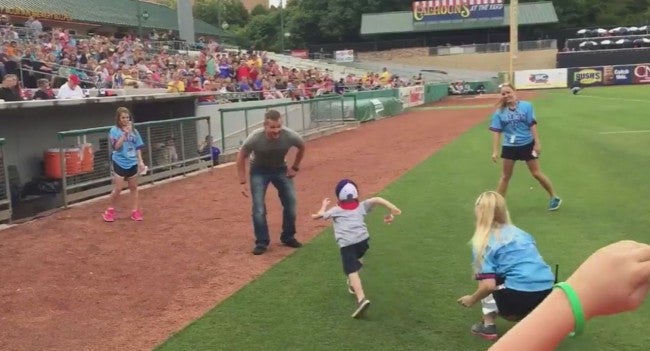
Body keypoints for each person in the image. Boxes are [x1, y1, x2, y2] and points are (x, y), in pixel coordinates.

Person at [490, 240, 650, 350]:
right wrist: (580, 295)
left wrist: (579, 295)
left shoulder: (488, 245)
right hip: (543, 287)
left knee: (489, 289)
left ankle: (487, 325)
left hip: (521, 294)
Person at [457, 191, 555, 340]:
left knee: (487, 279)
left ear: (479, 211)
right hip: (548, 292)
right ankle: (535, 321)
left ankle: (488, 327)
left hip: (517, 299)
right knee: (501, 275)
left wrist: (472, 299)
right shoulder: (521, 233)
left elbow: (488, 286)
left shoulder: (482, 242)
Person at [311, 179, 402, 318]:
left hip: (347, 244)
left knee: (351, 270)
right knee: (356, 261)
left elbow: (316, 217)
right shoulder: (361, 206)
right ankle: (352, 283)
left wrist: (323, 207)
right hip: (363, 241)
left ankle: (361, 300)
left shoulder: (336, 210)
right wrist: (392, 208)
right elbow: (377, 199)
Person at [236, 109, 306, 255]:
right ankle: (262, 242)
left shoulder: (289, 135)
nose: (276, 130)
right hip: (259, 171)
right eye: (272, 127)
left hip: (280, 169)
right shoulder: (255, 138)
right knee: (259, 208)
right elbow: (241, 156)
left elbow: (302, 146)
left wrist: (295, 167)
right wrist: (243, 182)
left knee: (291, 203)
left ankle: (288, 236)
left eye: (279, 126)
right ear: (265, 126)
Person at [490, 83, 562, 211]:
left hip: (527, 144)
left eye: (508, 92)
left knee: (536, 173)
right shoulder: (499, 112)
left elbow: (532, 125)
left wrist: (537, 143)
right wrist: (495, 151)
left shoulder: (526, 106)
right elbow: (496, 131)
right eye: (503, 94)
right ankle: (498, 206)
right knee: (505, 176)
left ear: (514, 91)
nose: (506, 95)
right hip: (509, 146)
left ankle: (554, 196)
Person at [102, 107, 146, 222]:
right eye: (123, 117)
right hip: (119, 161)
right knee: (118, 188)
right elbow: (116, 147)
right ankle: (110, 210)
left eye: (127, 117)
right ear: (118, 118)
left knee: (134, 188)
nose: (126, 120)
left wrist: (140, 161)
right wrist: (125, 134)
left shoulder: (135, 131)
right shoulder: (114, 130)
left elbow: (138, 147)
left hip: (132, 162)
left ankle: (135, 211)